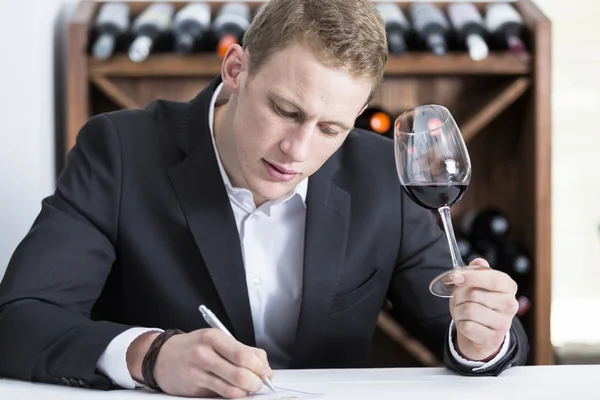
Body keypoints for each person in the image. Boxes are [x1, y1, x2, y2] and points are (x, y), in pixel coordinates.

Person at [0, 0, 527, 398]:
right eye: (285, 110)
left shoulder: (381, 174)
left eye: (331, 128)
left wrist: (482, 338)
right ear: (235, 71)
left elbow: (473, 332)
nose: (297, 150)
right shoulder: (119, 150)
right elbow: (20, 319)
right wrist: (151, 354)